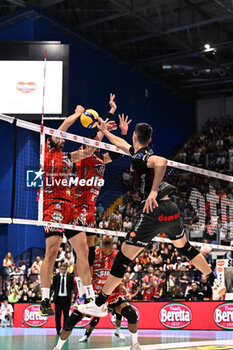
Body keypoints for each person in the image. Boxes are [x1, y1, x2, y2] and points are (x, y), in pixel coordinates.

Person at [78, 115, 225, 317]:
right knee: (185, 247)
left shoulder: (143, 157)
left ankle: (99, 303)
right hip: (171, 209)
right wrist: (104, 131)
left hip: (152, 211)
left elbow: (162, 162)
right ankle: (213, 279)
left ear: (136, 137)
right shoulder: (139, 153)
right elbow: (121, 144)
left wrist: (153, 191)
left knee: (122, 259)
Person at [39, 103, 115, 316]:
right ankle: (45, 300)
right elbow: (62, 128)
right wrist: (77, 114)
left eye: (62, 139)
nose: (62, 139)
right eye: (58, 138)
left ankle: (89, 296)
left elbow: (90, 149)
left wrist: (102, 130)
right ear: (51, 140)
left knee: (82, 251)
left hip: (69, 207)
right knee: (52, 251)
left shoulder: (68, 157)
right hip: (51, 205)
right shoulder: (47, 152)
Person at [72, 95, 131, 302]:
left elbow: (122, 154)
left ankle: (86, 295)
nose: (98, 143)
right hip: (75, 206)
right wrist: (108, 115)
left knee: (89, 254)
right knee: (80, 254)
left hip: (90, 209)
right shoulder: (83, 153)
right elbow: (96, 138)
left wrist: (122, 133)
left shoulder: (101, 159)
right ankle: (79, 292)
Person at [53, 235, 141, 350]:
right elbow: (82, 268)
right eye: (105, 234)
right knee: (71, 321)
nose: (107, 236)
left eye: (109, 235)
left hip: (112, 296)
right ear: (100, 240)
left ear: (114, 241)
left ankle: (135, 344)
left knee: (131, 314)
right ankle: (58, 347)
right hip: (93, 296)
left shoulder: (118, 255)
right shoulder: (94, 254)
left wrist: (123, 280)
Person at [51, 263, 74, 335]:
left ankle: (64, 330)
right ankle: (58, 330)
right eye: (62, 269)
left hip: (66, 299)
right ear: (60, 269)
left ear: (67, 269)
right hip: (58, 299)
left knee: (66, 316)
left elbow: (72, 287)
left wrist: (72, 297)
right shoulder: (56, 277)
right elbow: (53, 288)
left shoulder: (70, 277)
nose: (63, 270)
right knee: (57, 316)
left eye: (65, 269)